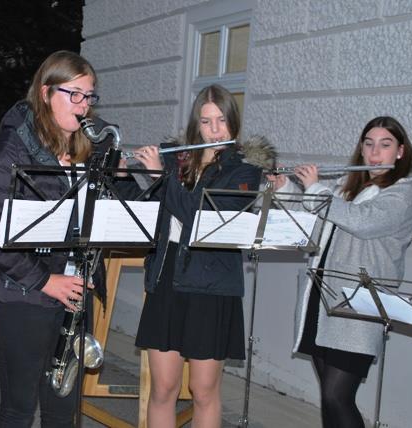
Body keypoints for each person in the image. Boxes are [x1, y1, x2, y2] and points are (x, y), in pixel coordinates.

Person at [0, 50, 109, 427]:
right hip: (23, 293)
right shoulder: (13, 146)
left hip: (74, 291)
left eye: (89, 96)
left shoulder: (88, 149)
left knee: (62, 410)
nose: (84, 105)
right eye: (74, 94)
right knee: (19, 409)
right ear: (46, 93)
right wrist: (46, 280)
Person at [128, 84, 268, 427]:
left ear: (233, 123)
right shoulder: (177, 159)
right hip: (167, 275)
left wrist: (163, 177)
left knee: (203, 391)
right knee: (163, 388)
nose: (215, 130)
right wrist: (124, 173)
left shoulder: (244, 170)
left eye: (222, 121)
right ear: (196, 125)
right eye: (206, 122)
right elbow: (146, 210)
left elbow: (198, 217)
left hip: (211, 281)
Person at [269, 116, 412, 427]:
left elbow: (362, 222)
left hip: (357, 307)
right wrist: (286, 188)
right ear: (361, 149)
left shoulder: (403, 193)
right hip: (323, 299)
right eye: (369, 144)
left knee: (337, 396)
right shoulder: (347, 189)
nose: (375, 152)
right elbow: (314, 227)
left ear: (400, 152)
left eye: (385, 145)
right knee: (328, 397)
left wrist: (315, 189)